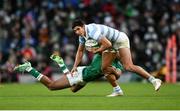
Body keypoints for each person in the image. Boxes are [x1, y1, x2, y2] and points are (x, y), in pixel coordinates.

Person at [71, 19, 162, 91]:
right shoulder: (82, 36)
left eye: (78, 29)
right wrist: (75, 66)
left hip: (119, 40)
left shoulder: (92, 31)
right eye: (75, 31)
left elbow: (108, 44)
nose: (77, 32)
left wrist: (96, 51)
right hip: (112, 44)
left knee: (128, 66)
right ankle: (117, 88)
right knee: (105, 68)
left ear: (83, 26)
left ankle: (153, 80)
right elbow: (80, 51)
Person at [14, 54, 124, 97]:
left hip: (85, 79)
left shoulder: (118, 63)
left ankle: (61, 63)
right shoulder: (103, 55)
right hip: (81, 74)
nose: (119, 54)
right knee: (51, 86)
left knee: (73, 90)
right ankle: (29, 67)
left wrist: (114, 70)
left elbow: (118, 74)